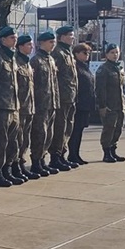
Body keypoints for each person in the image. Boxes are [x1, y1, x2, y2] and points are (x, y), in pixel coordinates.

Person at [0, 27, 21, 187]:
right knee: (0, 142)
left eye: (15, 37)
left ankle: (8, 169)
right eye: (12, 38)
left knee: (12, 142)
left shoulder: (12, 59)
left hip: (13, 106)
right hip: (0, 108)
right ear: (3, 40)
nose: (15, 40)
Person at [49, 25, 79, 171]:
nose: (73, 38)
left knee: (68, 128)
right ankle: (55, 157)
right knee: (60, 128)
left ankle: (62, 155)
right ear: (61, 37)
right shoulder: (58, 53)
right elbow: (53, 77)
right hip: (61, 97)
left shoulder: (68, 53)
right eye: (70, 35)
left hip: (70, 96)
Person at [30, 30, 58, 177]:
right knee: (40, 134)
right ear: (42, 43)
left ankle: (42, 161)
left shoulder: (51, 60)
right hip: (40, 105)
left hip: (50, 103)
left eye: (54, 42)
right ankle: (36, 162)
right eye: (50, 42)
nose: (53, 44)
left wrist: (56, 102)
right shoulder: (36, 61)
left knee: (49, 135)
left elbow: (54, 84)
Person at [95, 42, 125, 163]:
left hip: (120, 104)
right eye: (112, 53)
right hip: (109, 105)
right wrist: (102, 105)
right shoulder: (103, 69)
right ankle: (106, 152)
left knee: (118, 128)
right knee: (109, 128)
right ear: (106, 54)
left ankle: (113, 150)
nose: (115, 55)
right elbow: (100, 89)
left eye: (117, 52)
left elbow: (122, 87)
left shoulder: (119, 68)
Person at [13, 34, 38, 181]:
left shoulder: (27, 63)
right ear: (20, 46)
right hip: (19, 108)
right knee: (17, 139)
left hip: (29, 106)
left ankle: (21, 164)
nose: (31, 47)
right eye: (28, 44)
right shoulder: (16, 62)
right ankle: (15, 166)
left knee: (25, 140)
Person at [67, 43, 96, 164]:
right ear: (76, 53)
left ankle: (76, 154)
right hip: (78, 104)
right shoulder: (75, 67)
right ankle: (72, 155)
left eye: (88, 53)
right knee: (74, 131)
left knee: (80, 130)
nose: (87, 55)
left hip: (86, 103)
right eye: (84, 53)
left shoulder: (85, 67)